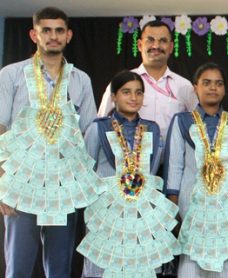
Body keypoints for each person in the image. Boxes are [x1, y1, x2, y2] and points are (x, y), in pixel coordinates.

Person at [0, 7, 101, 277]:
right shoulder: (11, 74)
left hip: (64, 185)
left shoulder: (80, 79)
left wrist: (85, 184)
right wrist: (2, 182)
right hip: (21, 183)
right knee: (18, 265)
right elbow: (0, 126)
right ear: (34, 35)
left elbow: (88, 133)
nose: (53, 36)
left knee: (60, 266)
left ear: (68, 35)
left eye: (59, 30)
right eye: (46, 30)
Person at [79, 71, 179, 277]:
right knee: (103, 264)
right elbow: (85, 171)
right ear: (114, 96)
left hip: (142, 211)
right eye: (126, 92)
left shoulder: (152, 129)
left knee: (140, 265)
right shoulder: (98, 128)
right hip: (107, 211)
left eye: (138, 93)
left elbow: (152, 170)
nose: (133, 98)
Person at [164, 63, 228, 277]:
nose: (212, 88)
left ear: (224, 90)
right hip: (191, 206)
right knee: (190, 267)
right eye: (206, 83)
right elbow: (174, 166)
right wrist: (173, 210)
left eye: (218, 83)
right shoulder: (182, 121)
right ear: (195, 87)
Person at [97, 20, 197, 144]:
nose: (156, 46)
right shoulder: (122, 82)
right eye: (150, 40)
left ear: (171, 47)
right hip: (129, 161)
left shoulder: (184, 86)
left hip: (173, 162)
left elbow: (198, 128)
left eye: (163, 41)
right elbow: (102, 124)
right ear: (139, 45)